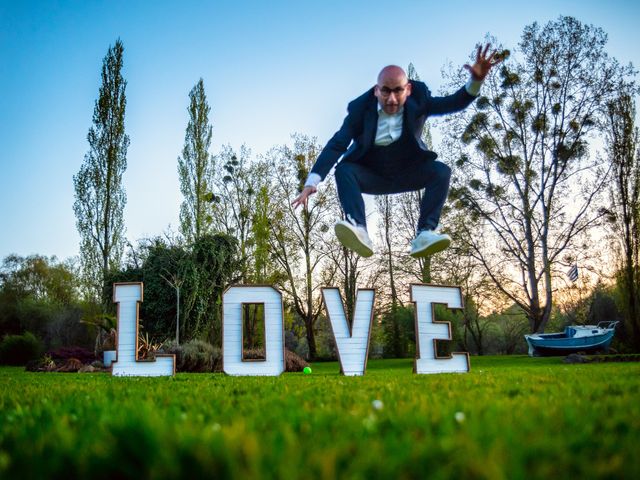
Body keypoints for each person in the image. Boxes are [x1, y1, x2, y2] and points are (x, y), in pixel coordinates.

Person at [292, 44, 502, 258]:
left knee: (441, 171)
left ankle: (425, 232)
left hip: (407, 173)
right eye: (385, 91)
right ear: (376, 90)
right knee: (344, 170)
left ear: (408, 89)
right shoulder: (359, 110)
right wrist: (311, 183)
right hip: (371, 175)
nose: (391, 99)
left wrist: (475, 81)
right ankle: (359, 228)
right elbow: (338, 143)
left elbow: (452, 103)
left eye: (398, 91)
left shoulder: (420, 100)